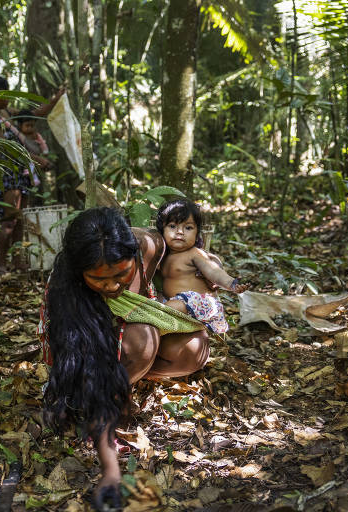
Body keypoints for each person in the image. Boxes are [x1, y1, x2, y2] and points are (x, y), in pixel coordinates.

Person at [39, 207, 210, 510]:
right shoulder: (70, 292)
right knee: (143, 339)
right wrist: (111, 470)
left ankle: (128, 376)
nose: (112, 286)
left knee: (194, 347)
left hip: (130, 331)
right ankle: (99, 398)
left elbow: (184, 253)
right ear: (81, 272)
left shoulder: (151, 245)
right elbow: (96, 372)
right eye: (98, 279)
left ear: (135, 254)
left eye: (121, 274)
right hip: (88, 346)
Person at [0, 75, 63, 270]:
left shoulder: (6, 112)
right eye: (4, 95)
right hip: (6, 172)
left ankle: (17, 262)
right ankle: (1, 263)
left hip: (21, 172)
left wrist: (56, 99)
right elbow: (8, 148)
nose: (8, 99)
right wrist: (38, 160)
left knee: (18, 221)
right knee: (9, 220)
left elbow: (33, 113)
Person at [156, 199, 248, 334]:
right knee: (156, 303)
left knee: (162, 311)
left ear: (197, 233)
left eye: (188, 228)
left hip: (198, 303)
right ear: (162, 229)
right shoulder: (162, 256)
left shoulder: (194, 253)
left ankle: (154, 327)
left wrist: (231, 284)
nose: (180, 232)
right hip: (177, 306)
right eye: (172, 226)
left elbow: (214, 272)